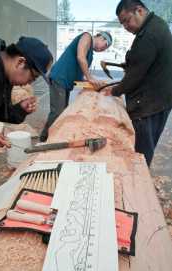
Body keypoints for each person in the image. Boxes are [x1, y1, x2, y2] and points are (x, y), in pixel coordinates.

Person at [0, 36, 53, 203]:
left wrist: (20, 109)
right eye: (32, 77)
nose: (30, 83)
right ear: (20, 62)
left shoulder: (4, 76)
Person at [104, 0, 172, 166]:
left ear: (139, 10)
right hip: (160, 100)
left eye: (127, 20)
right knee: (147, 145)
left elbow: (135, 75)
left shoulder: (148, 35)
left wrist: (114, 91)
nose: (126, 26)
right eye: (122, 24)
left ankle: (137, 185)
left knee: (141, 152)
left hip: (148, 105)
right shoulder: (156, 26)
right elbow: (145, 63)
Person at [40, 31, 112, 142]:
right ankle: (45, 139)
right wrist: (90, 77)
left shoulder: (90, 55)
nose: (103, 50)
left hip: (67, 82)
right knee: (57, 112)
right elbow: (80, 57)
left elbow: (79, 74)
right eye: (105, 46)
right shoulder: (87, 37)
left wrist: (91, 83)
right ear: (101, 37)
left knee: (63, 111)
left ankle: (54, 135)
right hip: (60, 77)